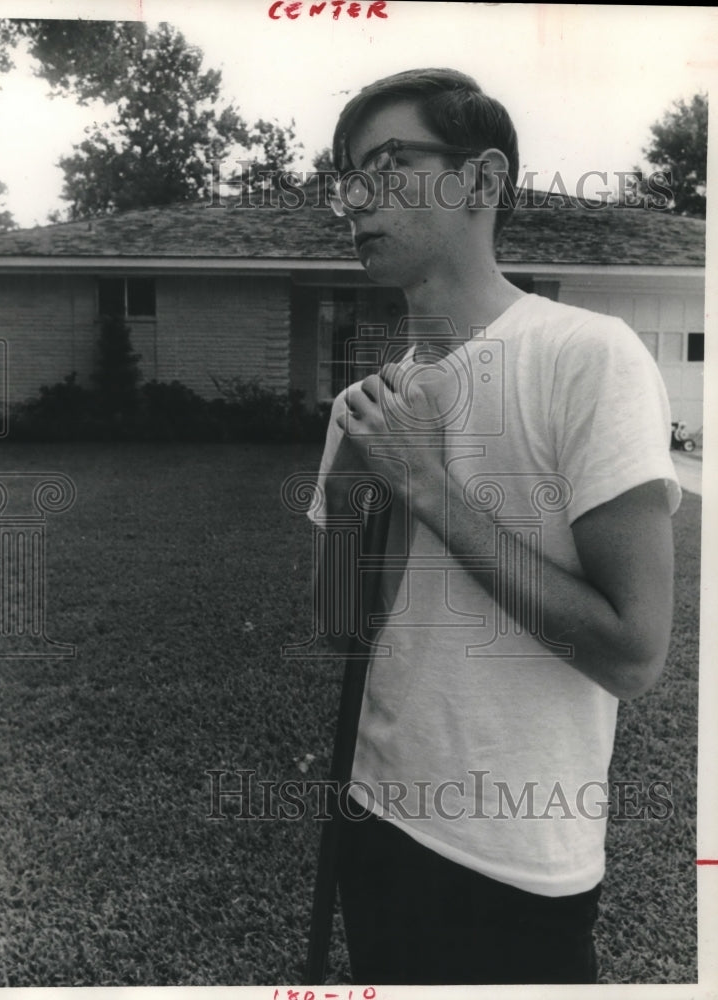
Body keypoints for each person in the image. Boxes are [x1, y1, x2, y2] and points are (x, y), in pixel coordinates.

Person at [306, 68, 681, 985]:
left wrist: (428, 488)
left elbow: (632, 656)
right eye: (348, 177)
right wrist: (360, 487)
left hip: (516, 856)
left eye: (390, 165)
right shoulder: (366, 407)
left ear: (480, 182)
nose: (358, 197)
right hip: (375, 816)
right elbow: (337, 623)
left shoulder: (586, 357)